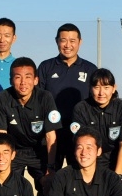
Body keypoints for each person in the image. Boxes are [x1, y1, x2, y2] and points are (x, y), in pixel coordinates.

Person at [0, 57, 61, 196]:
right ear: (11, 79)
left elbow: (51, 136)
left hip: (39, 150)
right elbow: (2, 136)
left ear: (35, 80)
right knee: (6, 183)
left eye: (28, 77)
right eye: (17, 77)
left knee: (48, 184)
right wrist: (4, 162)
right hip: (15, 150)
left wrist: (50, 167)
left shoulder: (45, 97)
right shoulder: (2, 98)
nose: (23, 82)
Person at [38, 23, 98, 170]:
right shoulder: (46, 67)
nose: (67, 45)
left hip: (79, 133)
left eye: (72, 41)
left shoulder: (90, 69)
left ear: (80, 42)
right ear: (57, 41)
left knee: (79, 177)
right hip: (52, 133)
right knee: (48, 179)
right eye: (63, 40)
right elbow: (38, 99)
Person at [70, 68, 122, 184]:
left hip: (116, 159)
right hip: (91, 160)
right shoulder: (81, 109)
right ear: (90, 88)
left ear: (114, 88)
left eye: (106, 87)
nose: (101, 93)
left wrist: (117, 176)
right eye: (97, 87)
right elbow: (82, 144)